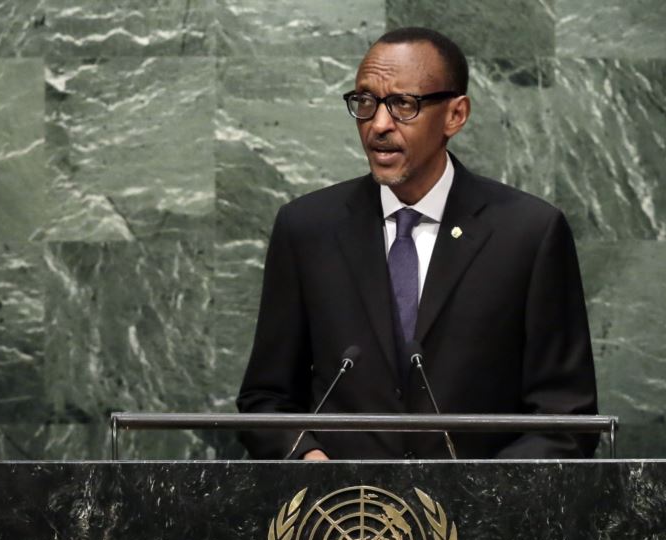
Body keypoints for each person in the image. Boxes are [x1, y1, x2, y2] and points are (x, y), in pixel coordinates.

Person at [237, 27, 598, 460]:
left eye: (403, 104)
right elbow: (266, 401)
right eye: (366, 102)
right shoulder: (308, 228)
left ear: (455, 115)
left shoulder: (529, 233)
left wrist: (483, 496)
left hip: (482, 517)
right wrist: (312, 465)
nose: (379, 124)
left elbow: (566, 418)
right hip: (348, 517)